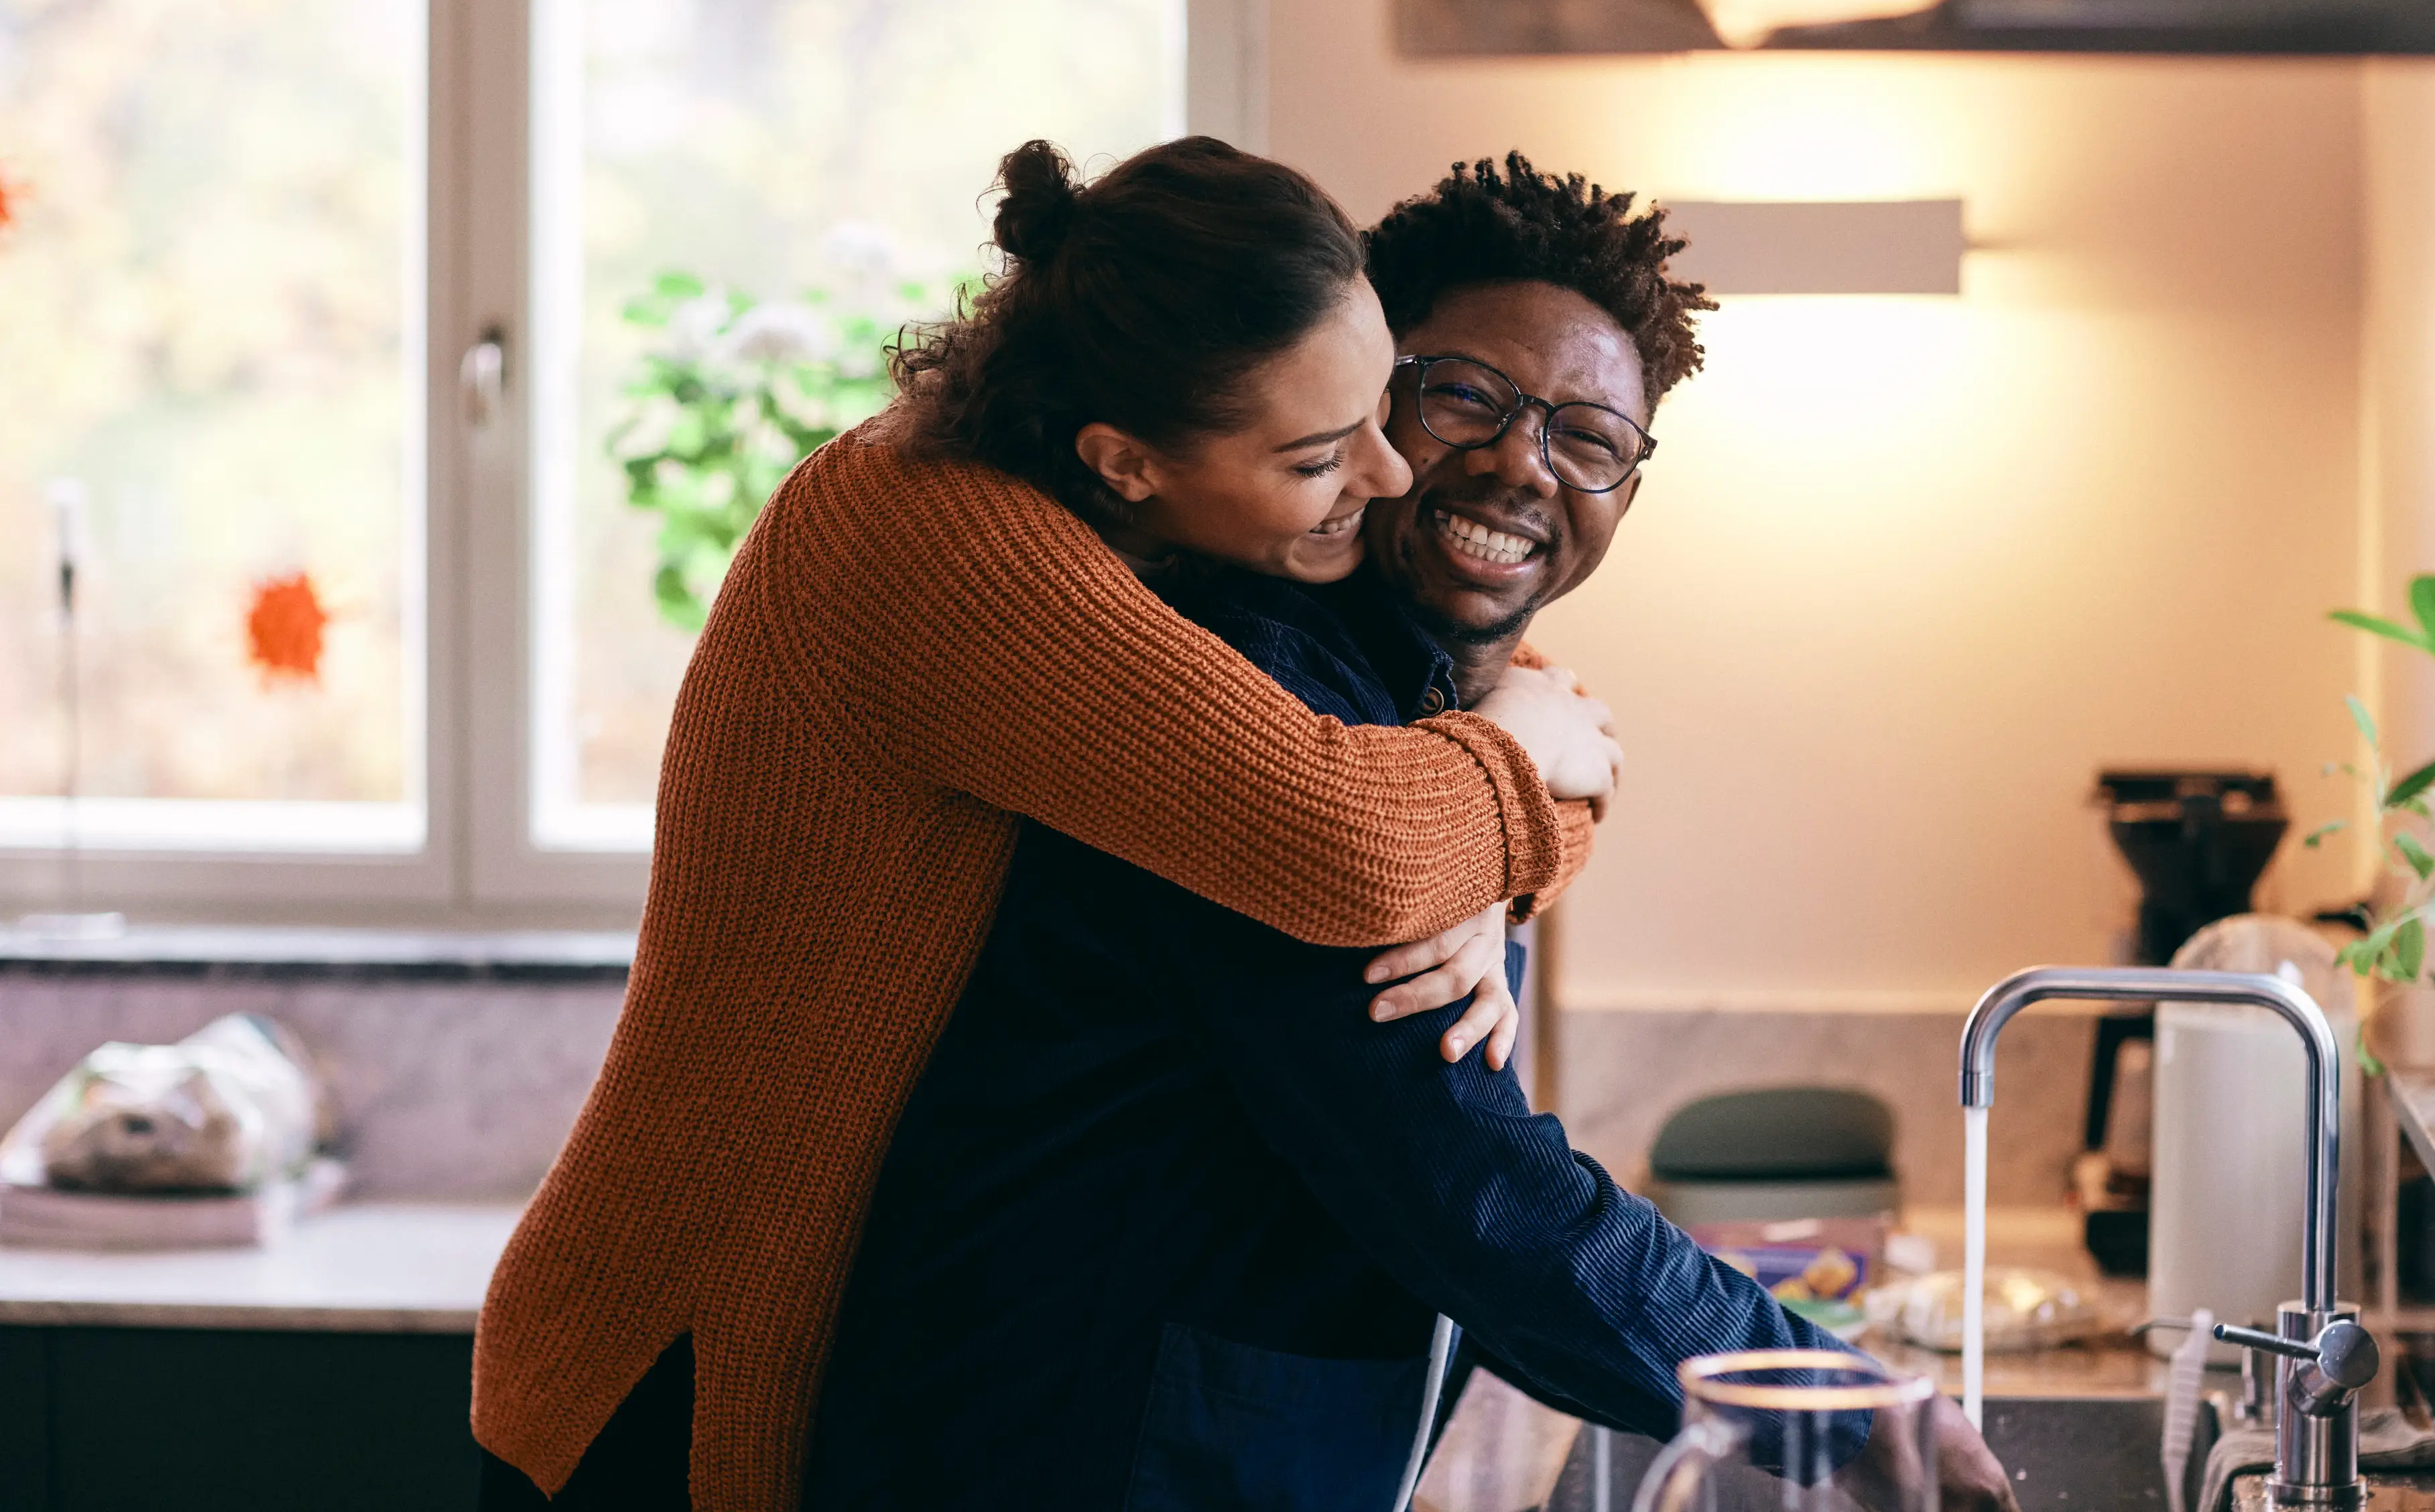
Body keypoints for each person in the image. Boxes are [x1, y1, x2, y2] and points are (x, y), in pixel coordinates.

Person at [800, 154, 2017, 1511]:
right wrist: (1833, 1398)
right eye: (1465, 397)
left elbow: (1513, 789)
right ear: (1367, 384)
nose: (1522, 464)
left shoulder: (1419, 694)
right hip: (1079, 1452)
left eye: (1590, 437)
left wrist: (1516, 784)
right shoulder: (1237, 689)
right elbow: (1467, 1182)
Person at [471, 137, 1621, 1512]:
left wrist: (1502, 838)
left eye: (1384, 408)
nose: (1383, 475)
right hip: (672, 1356)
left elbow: (1392, 772)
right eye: (1322, 452)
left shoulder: (1113, 516)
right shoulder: (939, 539)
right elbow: (1344, 834)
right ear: (1125, 459)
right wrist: (1517, 782)